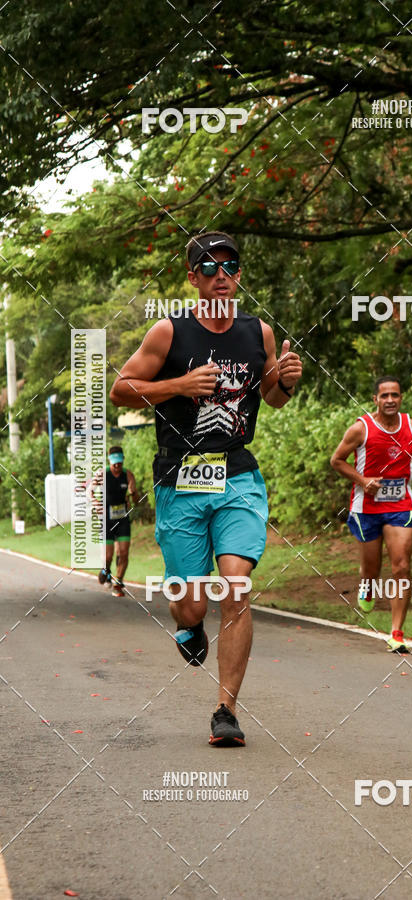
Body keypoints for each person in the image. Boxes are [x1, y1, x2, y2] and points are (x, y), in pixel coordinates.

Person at [110, 230, 302, 746]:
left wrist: (284, 379)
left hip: (237, 474)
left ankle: (226, 711)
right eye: (210, 268)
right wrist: (178, 385)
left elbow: (270, 397)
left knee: (237, 586)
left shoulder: (258, 332)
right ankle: (190, 625)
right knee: (191, 603)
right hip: (181, 478)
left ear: (239, 274)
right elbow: (121, 389)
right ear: (193, 277)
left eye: (230, 266)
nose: (222, 276)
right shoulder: (169, 332)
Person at [330, 376, 412, 652]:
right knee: (371, 569)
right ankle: (367, 585)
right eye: (385, 396)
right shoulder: (360, 429)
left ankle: (397, 633)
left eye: (395, 395)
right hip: (366, 508)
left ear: (401, 398)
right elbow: (337, 460)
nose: (390, 400)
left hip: (400, 505)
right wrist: (363, 480)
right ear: (375, 399)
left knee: (401, 566)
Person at [89, 447, 139, 597]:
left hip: (122, 519)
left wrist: (133, 493)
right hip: (106, 520)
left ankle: (118, 584)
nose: (117, 465)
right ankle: (106, 570)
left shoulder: (128, 475)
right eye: (114, 463)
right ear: (109, 461)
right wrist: (95, 503)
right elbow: (89, 491)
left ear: (123, 460)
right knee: (108, 557)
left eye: (119, 462)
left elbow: (136, 501)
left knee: (123, 553)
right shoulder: (102, 474)